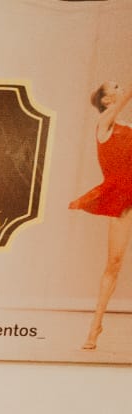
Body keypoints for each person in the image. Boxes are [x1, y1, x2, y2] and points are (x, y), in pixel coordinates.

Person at [68, 79, 132, 351]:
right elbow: (125, 98)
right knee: (114, 262)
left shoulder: (128, 127)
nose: (119, 89)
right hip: (122, 197)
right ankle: (95, 327)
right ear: (106, 100)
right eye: (114, 87)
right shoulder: (104, 123)